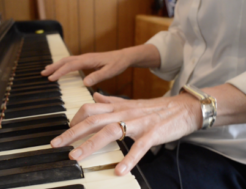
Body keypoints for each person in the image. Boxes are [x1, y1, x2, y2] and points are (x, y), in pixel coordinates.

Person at [41, 0, 246, 188]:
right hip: (171, 124)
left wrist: (189, 110)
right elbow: (187, 39)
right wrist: (126, 55)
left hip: (229, 150)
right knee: (72, 140)